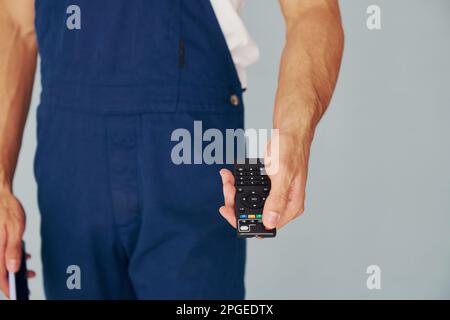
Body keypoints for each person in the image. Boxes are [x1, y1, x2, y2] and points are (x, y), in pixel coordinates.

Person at [0, 0, 344, 299]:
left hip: (196, 150)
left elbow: (310, 9)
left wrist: (294, 135)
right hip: (72, 164)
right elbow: (16, 23)